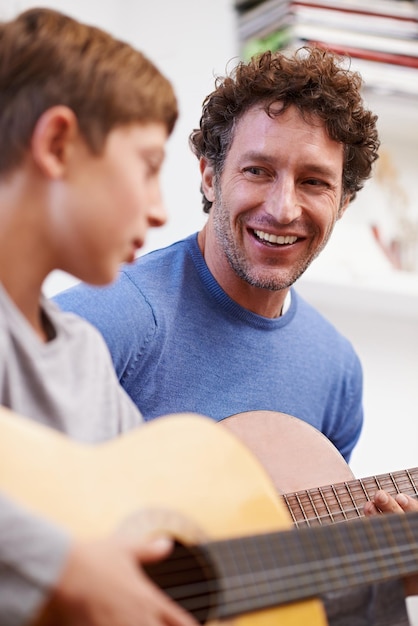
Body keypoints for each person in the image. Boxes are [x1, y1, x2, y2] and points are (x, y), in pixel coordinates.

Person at [54, 46, 377, 464]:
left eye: (314, 182)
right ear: (210, 177)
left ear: (344, 203)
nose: (283, 210)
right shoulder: (110, 317)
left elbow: (298, 527)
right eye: (257, 171)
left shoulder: (337, 371)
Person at [0, 7, 200, 626]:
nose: (161, 210)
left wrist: (373, 555)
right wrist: (64, 567)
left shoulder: (86, 355)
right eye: (147, 166)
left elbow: (152, 536)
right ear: (57, 144)